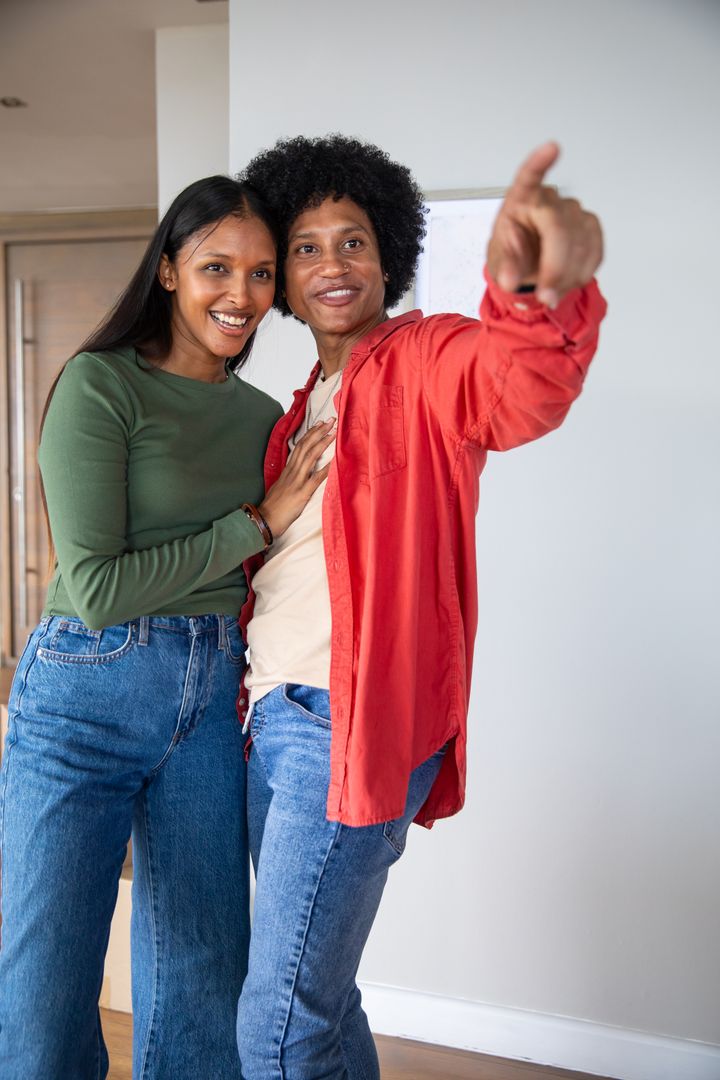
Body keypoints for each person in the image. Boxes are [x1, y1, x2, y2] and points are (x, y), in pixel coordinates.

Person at [234, 136, 606, 1079]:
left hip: (344, 725)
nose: (331, 265)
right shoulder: (300, 406)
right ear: (282, 273)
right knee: (316, 999)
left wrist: (534, 295)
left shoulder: (426, 359)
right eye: (307, 247)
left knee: (276, 1029)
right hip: (269, 720)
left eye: (352, 241)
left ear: (388, 256)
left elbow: (519, 384)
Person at [0, 175, 334, 1080]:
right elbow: (100, 586)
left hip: (216, 695)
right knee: (42, 993)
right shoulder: (99, 384)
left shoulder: (267, 420)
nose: (242, 294)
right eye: (216, 267)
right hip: (85, 691)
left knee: (202, 982)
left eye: (262, 273)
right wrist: (254, 522)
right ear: (168, 272)